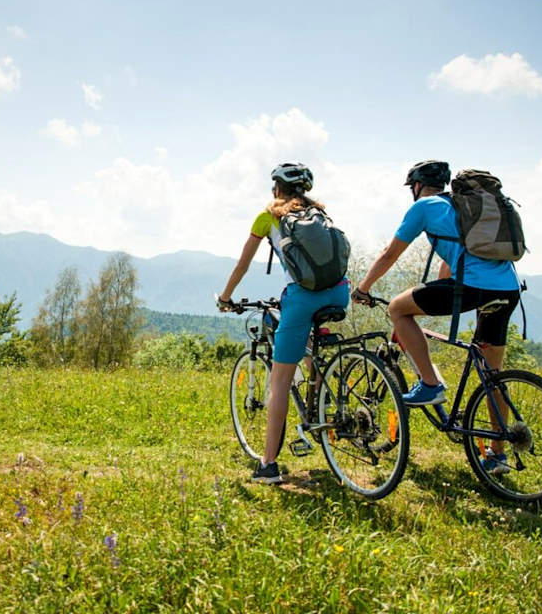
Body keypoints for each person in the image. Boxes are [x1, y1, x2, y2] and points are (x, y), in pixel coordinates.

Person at [351, 160, 520, 474]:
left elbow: (390, 253)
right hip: (508, 288)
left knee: (398, 309)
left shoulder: (424, 207)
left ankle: (430, 384)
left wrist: (364, 287)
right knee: (492, 371)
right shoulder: (460, 207)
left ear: (416, 186)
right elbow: (452, 261)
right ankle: (497, 454)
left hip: (473, 287)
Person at [217, 162, 350, 483]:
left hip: (302, 297)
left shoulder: (268, 217)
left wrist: (225, 297)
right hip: (340, 293)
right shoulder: (320, 214)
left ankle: (268, 465)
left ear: (276, 188)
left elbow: (243, 263)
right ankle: (320, 398)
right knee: (309, 341)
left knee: (279, 382)